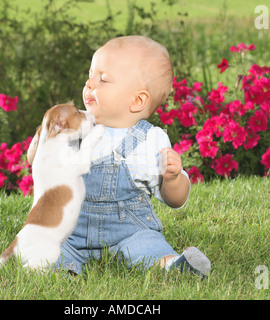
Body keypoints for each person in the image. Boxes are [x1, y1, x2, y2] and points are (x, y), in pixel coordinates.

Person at [54, 35, 211, 277]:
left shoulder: (151, 140)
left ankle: (172, 266)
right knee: (53, 246)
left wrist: (172, 179)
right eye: (90, 74)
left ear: (138, 101)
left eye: (103, 79)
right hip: (74, 230)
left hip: (129, 230)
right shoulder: (75, 126)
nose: (89, 83)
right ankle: (64, 271)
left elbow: (175, 200)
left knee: (147, 245)